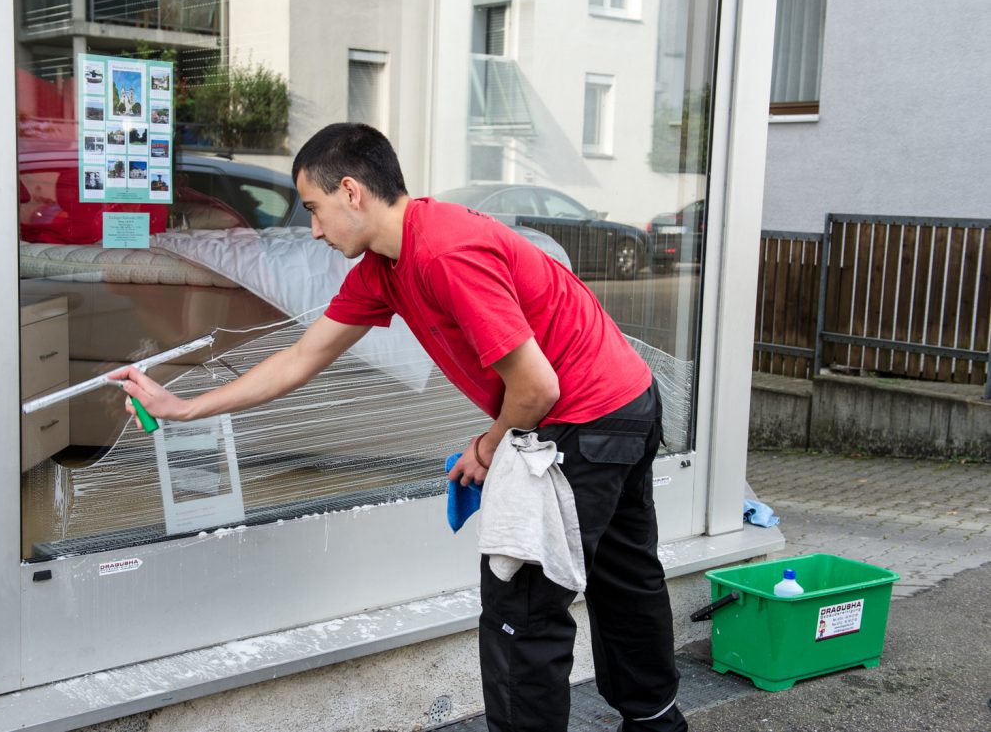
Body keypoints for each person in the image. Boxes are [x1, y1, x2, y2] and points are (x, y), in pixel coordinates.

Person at [111, 123, 687, 732]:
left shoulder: (444, 252)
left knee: (522, 604)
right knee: (624, 577)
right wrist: (182, 406)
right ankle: (657, 724)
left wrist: (487, 446)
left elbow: (536, 388)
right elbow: (301, 358)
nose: (314, 230)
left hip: (583, 418)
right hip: (627, 400)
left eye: (314, 208)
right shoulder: (387, 265)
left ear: (351, 192)